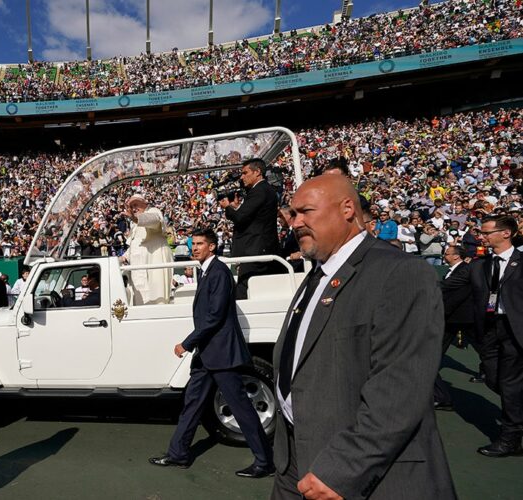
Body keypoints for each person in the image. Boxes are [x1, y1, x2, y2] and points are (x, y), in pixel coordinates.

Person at [272, 175, 455, 499]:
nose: (295, 222)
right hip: (296, 461)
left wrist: (342, 469)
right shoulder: (318, 275)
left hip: (354, 473)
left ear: (346, 209)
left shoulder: (400, 273)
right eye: (293, 214)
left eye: (305, 212)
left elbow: (399, 387)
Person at [149, 227, 274, 478]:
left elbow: (214, 317)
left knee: (241, 408)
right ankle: (178, 454)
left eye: (199, 243)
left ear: (212, 247)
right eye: (193, 243)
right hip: (208, 355)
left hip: (221, 354)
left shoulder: (218, 272)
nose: (194, 247)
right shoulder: (207, 272)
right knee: (192, 404)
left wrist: (187, 343)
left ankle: (265, 461)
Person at [470, 215, 523, 457]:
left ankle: (510, 438)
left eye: (487, 232)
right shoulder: (482, 264)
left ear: (506, 233)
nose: (482, 236)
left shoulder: (521, 262)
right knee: (494, 379)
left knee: (510, 384)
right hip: (490, 328)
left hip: (516, 330)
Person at [220, 159, 280, 300]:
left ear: (257, 172)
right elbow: (250, 217)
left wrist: (228, 207)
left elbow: (241, 218)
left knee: (244, 293)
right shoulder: (263, 190)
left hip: (256, 251)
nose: (242, 177)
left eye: (245, 173)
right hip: (259, 249)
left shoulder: (259, 191)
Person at [433, 245, 473, 411]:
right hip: (452, 321)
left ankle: (442, 397)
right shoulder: (455, 270)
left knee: (429, 358)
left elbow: (456, 298)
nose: (444, 255)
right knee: (430, 358)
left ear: (456, 256)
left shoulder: (464, 271)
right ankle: (441, 397)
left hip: (457, 320)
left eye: (447, 253)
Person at [121, 194, 173, 305]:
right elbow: (135, 246)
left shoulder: (153, 211)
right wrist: (123, 257)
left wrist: (135, 218)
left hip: (153, 263)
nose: (134, 208)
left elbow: (153, 221)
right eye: (131, 206)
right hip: (137, 271)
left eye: (136, 205)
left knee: (157, 299)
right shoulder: (134, 225)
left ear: (145, 204)